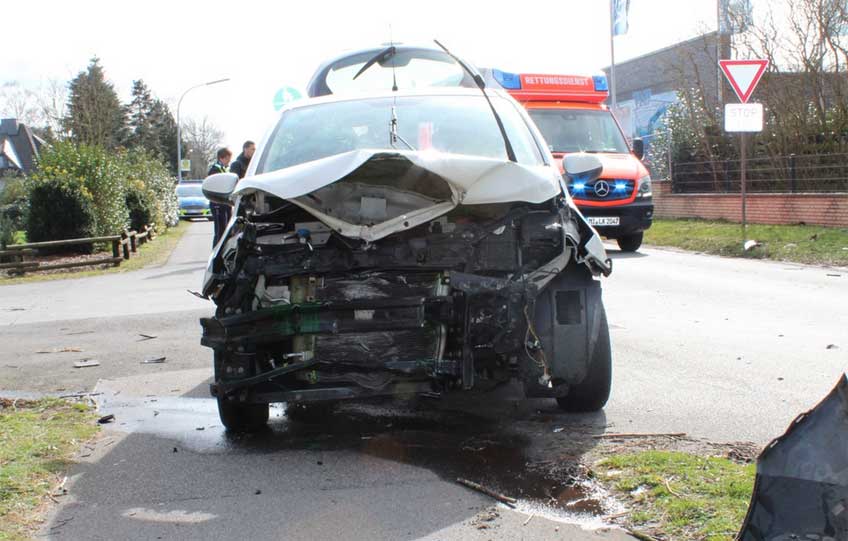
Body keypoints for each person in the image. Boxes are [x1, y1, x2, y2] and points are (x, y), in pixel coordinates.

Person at [208, 147, 232, 246]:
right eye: (227, 159)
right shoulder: (214, 170)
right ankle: (216, 251)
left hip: (225, 204)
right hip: (217, 204)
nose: (229, 161)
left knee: (226, 230)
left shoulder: (224, 169)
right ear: (222, 158)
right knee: (219, 231)